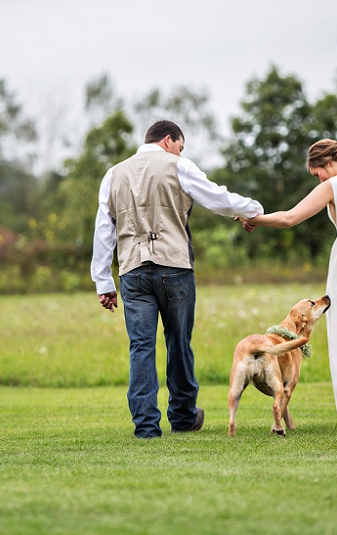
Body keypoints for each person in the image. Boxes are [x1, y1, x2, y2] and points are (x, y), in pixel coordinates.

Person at [91, 120, 264, 438]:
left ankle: (146, 426)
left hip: (132, 271)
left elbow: (104, 229)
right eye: (180, 146)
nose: (180, 152)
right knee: (178, 343)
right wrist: (253, 210)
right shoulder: (179, 166)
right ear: (169, 140)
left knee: (140, 347)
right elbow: (217, 198)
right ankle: (183, 416)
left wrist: (103, 282)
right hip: (175, 268)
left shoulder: (113, 174)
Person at [239, 139, 337, 431]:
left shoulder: (334, 185)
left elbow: (290, 218)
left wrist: (256, 220)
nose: (319, 179)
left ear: (325, 162)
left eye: (316, 173)